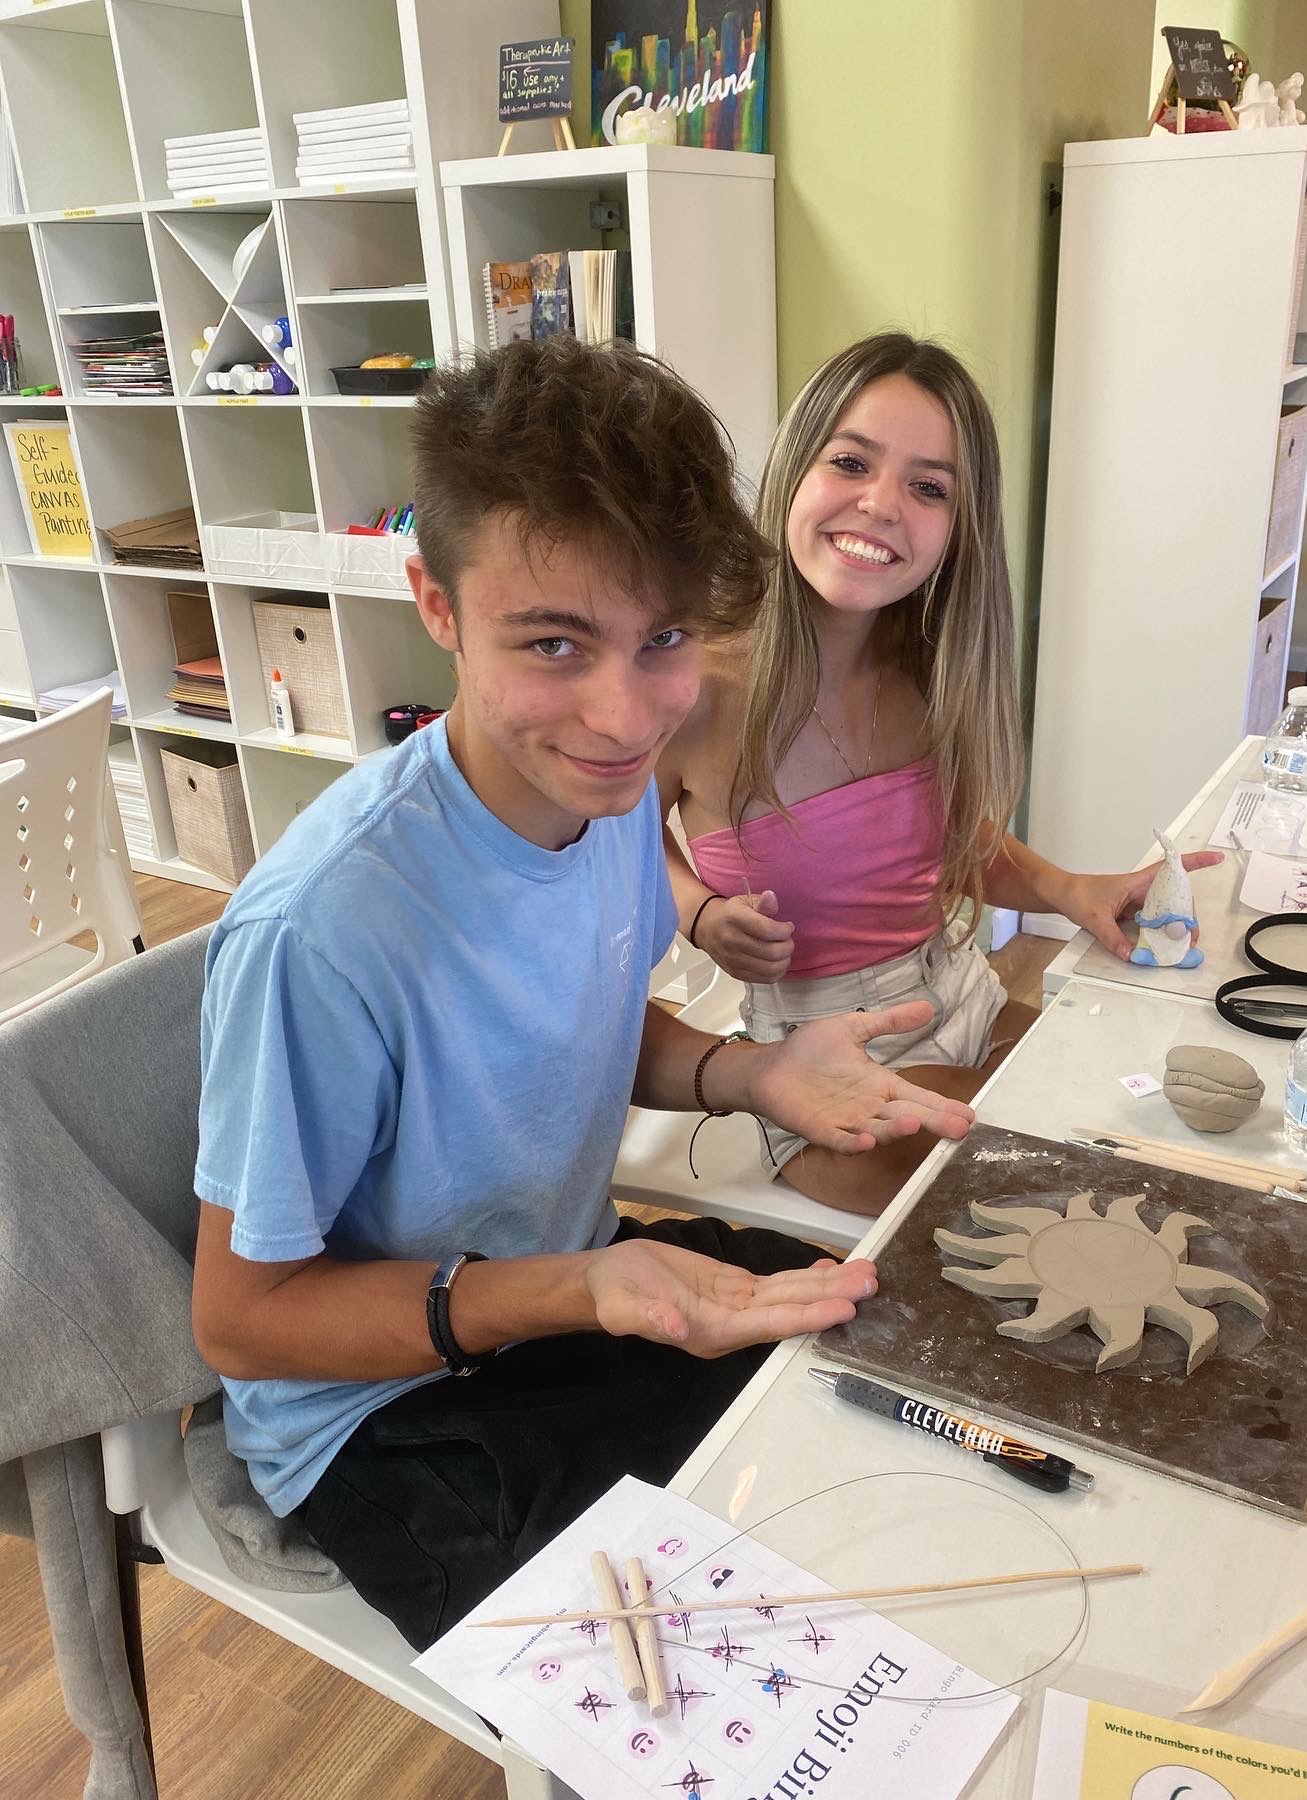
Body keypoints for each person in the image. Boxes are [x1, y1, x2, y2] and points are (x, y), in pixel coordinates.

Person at [189, 337, 973, 1652]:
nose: (624, 715)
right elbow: (243, 1322)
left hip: (573, 1292)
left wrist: (750, 1072)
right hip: (383, 1416)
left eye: (663, 640)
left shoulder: (602, 801)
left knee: (912, 1375)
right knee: (732, 1665)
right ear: (437, 605)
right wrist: (576, 1289)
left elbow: (579, 1019)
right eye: (554, 643)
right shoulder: (325, 930)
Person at [660, 333, 1221, 1216]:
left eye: (930, 488)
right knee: (1057, 1188)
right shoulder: (693, 684)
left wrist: (1069, 888)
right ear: (794, 468)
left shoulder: (928, 664)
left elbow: (942, 842)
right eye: (851, 462)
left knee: (1134, 1116)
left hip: (963, 996)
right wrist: (698, 911)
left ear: (961, 529)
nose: (882, 504)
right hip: (819, 1057)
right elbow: (609, 850)